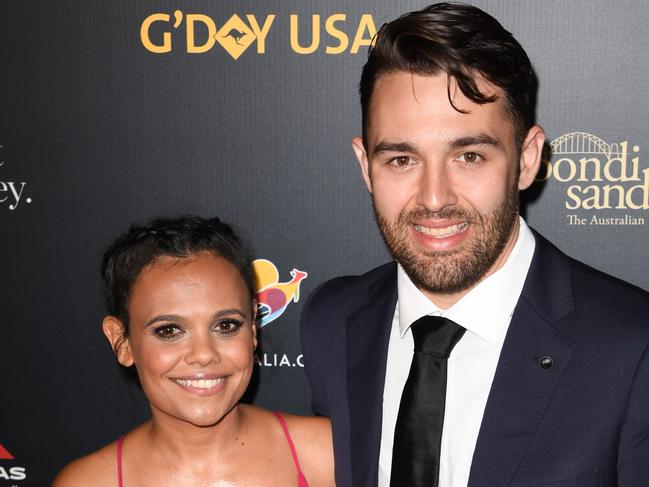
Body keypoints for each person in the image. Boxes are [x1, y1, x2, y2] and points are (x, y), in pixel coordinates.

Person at [300, 3, 649, 487]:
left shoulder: (634, 349)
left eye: (469, 155)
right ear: (365, 166)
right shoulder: (332, 320)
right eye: (401, 159)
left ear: (527, 159)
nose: (435, 198)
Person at [54, 216, 334, 487]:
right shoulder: (86, 482)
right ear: (122, 341)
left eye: (226, 325)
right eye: (169, 330)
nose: (203, 354)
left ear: (252, 329)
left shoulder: (327, 455)